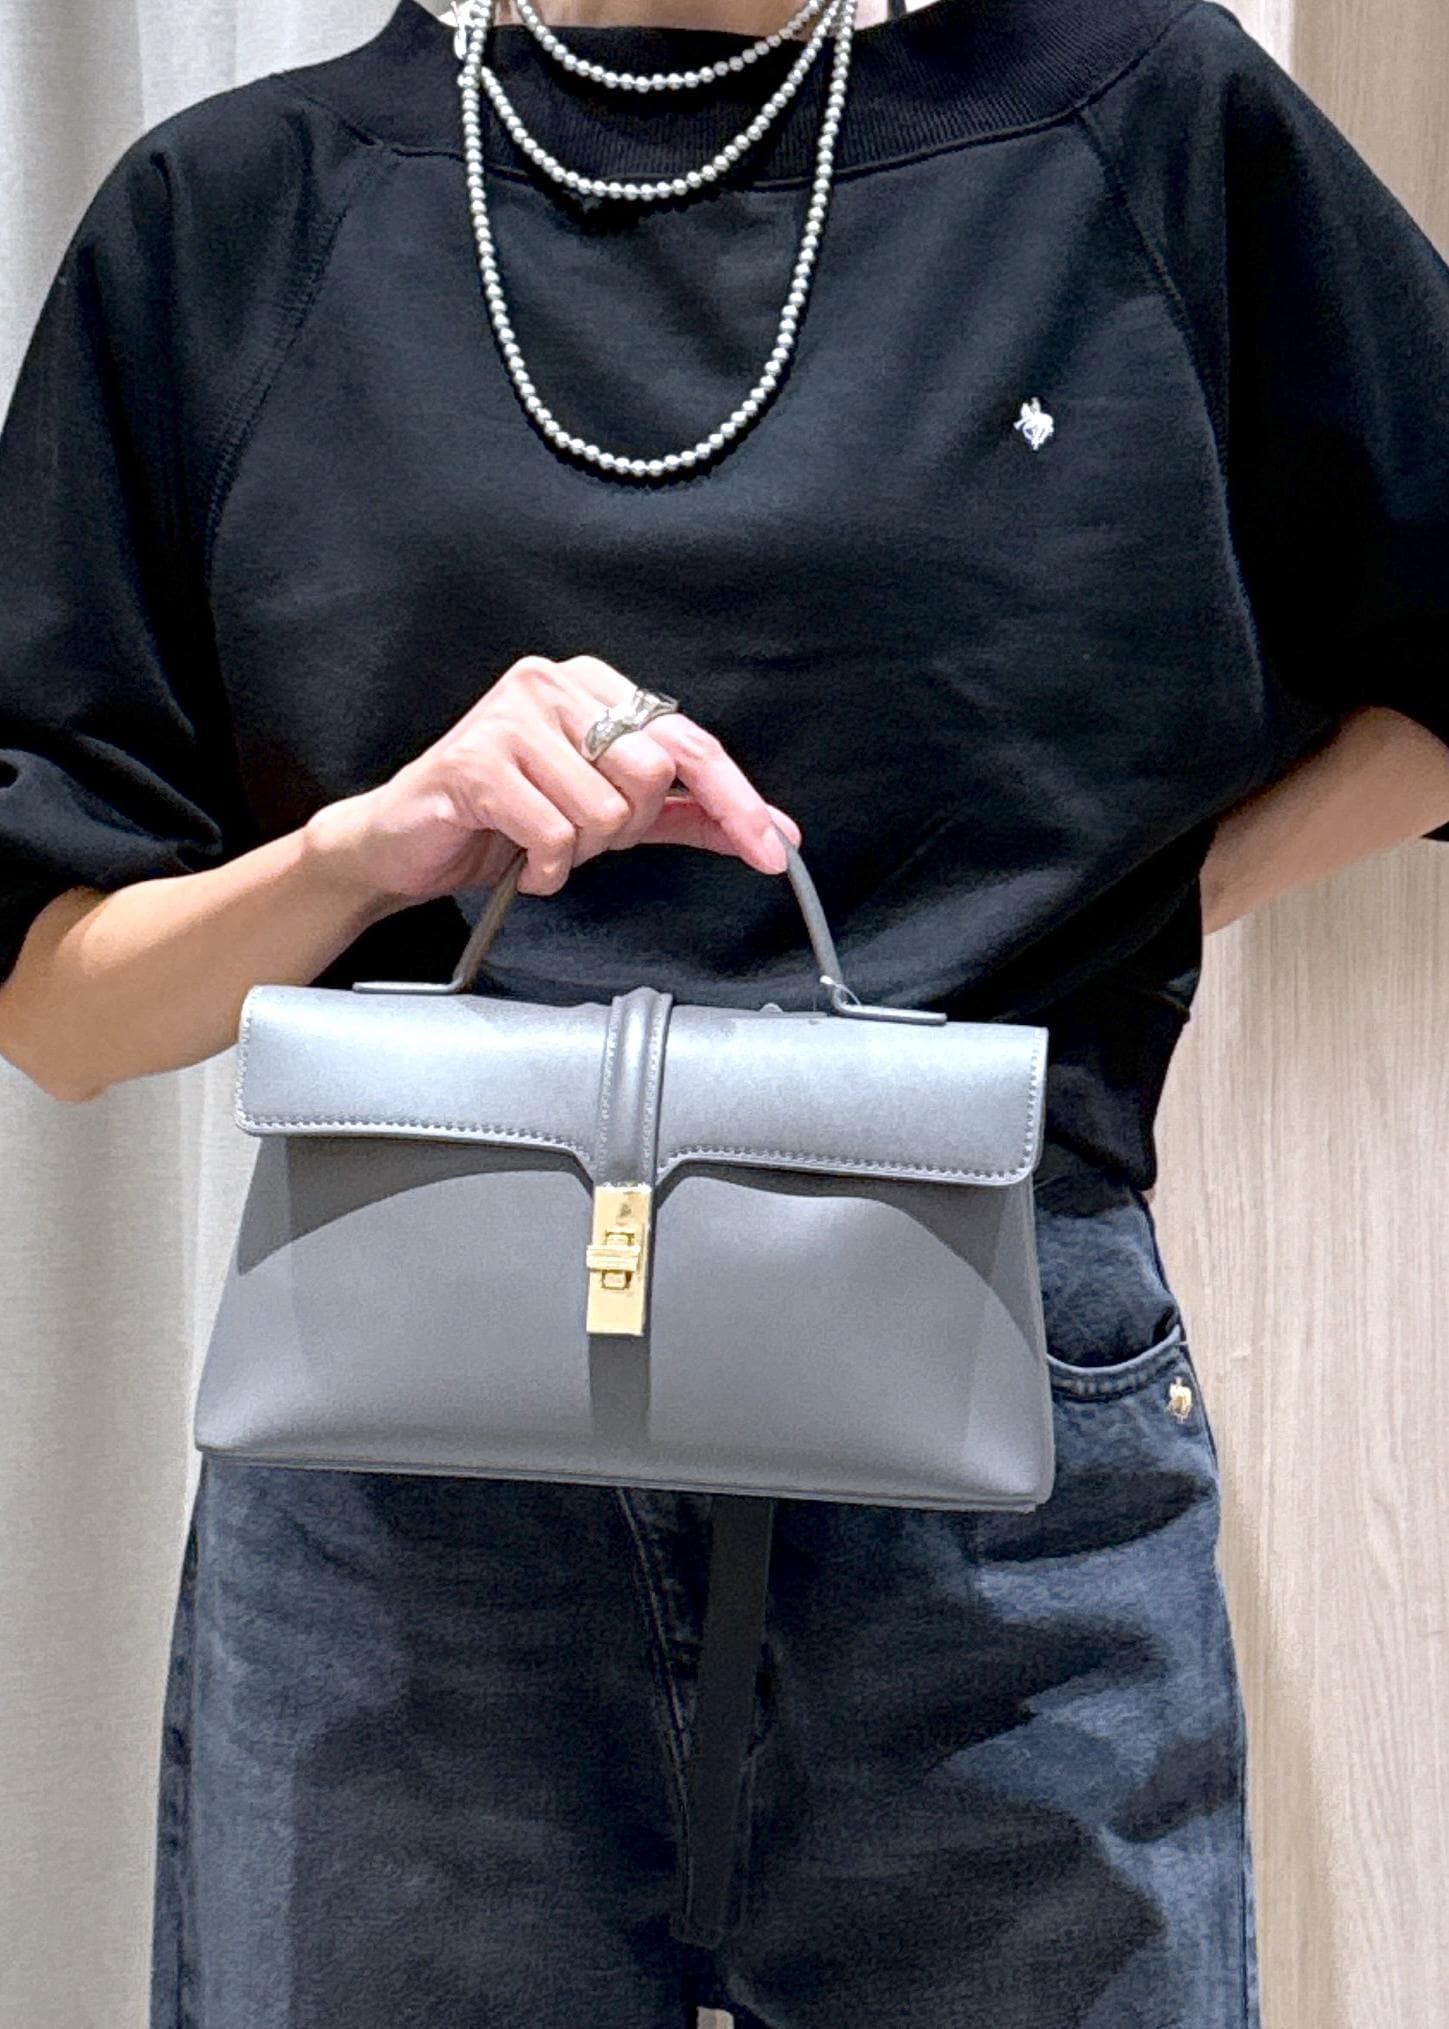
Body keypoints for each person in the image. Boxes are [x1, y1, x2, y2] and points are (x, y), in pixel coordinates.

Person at [2, 0, 1448, 2022]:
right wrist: (370, 848)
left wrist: (1143, 911)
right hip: (410, 1475)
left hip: (986, 1429)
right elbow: (59, 1008)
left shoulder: (1138, 128)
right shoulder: (235, 218)